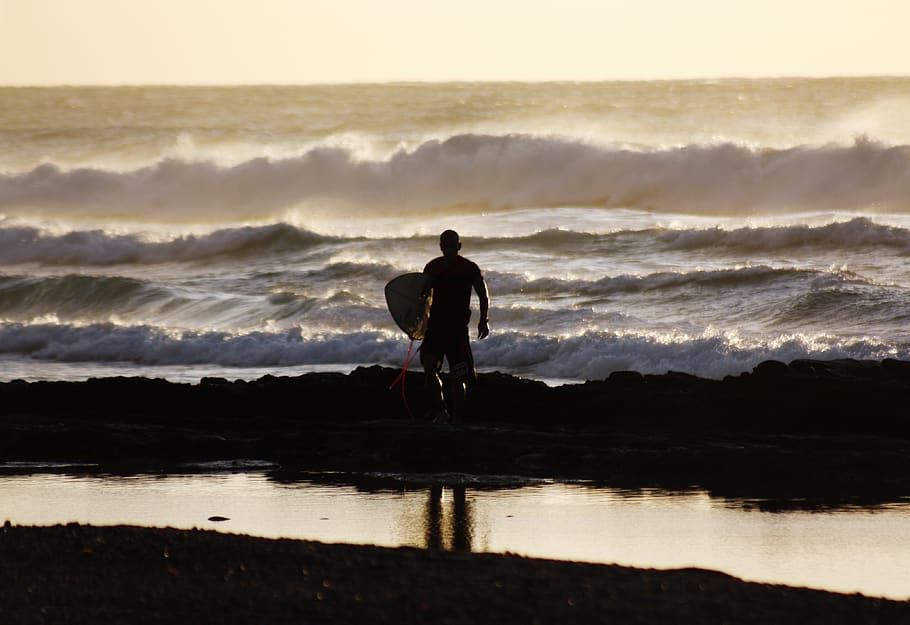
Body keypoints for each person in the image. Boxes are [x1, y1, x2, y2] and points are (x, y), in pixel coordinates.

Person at [420, 229, 490, 424]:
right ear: (440, 246)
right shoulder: (432, 268)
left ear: (459, 246)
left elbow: (483, 294)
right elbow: (422, 298)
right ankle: (441, 411)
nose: (448, 249)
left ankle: (458, 419)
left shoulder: (469, 268)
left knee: (458, 376)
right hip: (435, 328)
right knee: (429, 367)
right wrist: (416, 325)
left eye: (452, 245)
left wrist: (484, 319)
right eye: (445, 245)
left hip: (457, 331)